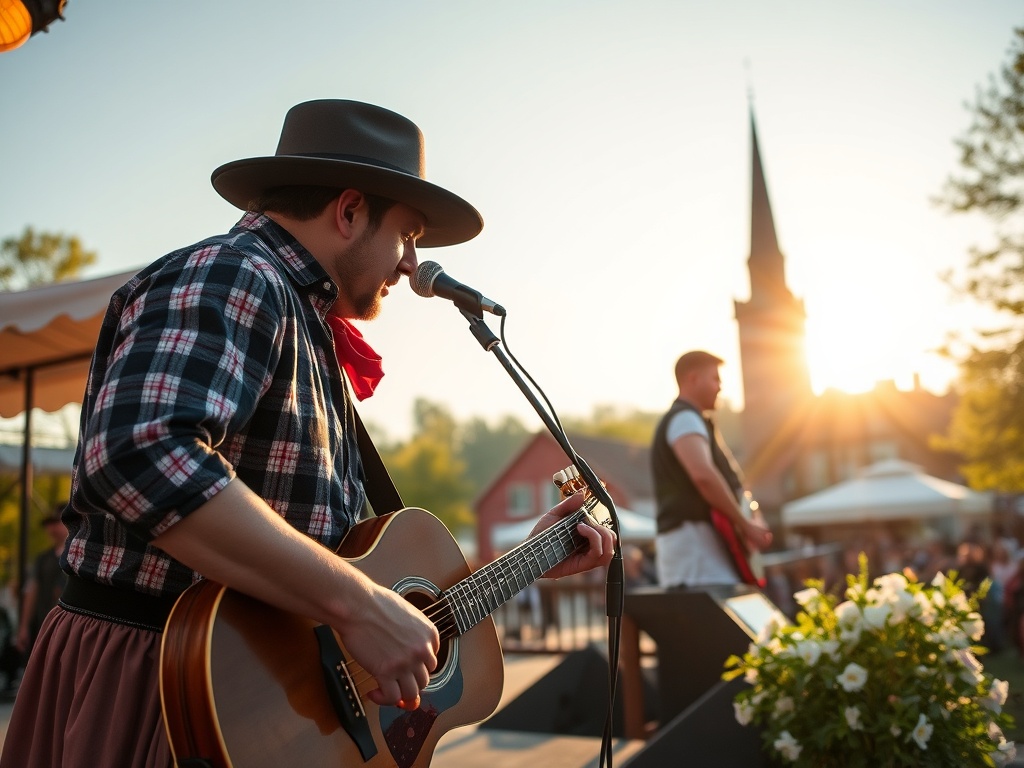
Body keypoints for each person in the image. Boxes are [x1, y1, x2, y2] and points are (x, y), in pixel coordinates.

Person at [0, 99, 616, 768]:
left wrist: (524, 560)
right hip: (160, 685)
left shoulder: (299, 316)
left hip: (250, 699)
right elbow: (142, 455)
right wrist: (358, 608)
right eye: (408, 234)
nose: (412, 264)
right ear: (349, 211)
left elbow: (333, 555)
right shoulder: (237, 274)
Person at [650, 350, 772, 589]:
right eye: (715, 379)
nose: (720, 387)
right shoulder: (685, 418)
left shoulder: (693, 419)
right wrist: (746, 525)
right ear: (693, 379)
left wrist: (752, 516)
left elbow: (727, 479)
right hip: (695, 550)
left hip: (702, 549)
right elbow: (703, 476)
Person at [14, 506, 69, 659]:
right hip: (43, 625)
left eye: (56, 522)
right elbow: (32, 591)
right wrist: (24, 627)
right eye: (49, 523)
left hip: (68, 629)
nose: (51, 528)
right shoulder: (43, 559)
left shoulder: (77, 558)